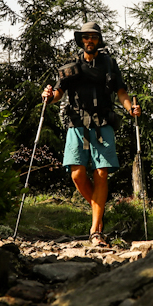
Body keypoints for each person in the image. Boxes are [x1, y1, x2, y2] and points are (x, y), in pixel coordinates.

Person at [42, 22, 141, 246]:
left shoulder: (109, 64)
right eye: (86, 37)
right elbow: (59, 92)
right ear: (81, 40)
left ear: (99, 40)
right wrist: (48, 96)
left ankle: (95, 230)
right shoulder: (71, 65)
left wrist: (130, 108)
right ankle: (99, 209)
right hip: (76, 123)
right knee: (77, 175)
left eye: (93, 37)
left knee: (101, 174)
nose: (89, 41)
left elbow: (121, 92)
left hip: (103, 122)